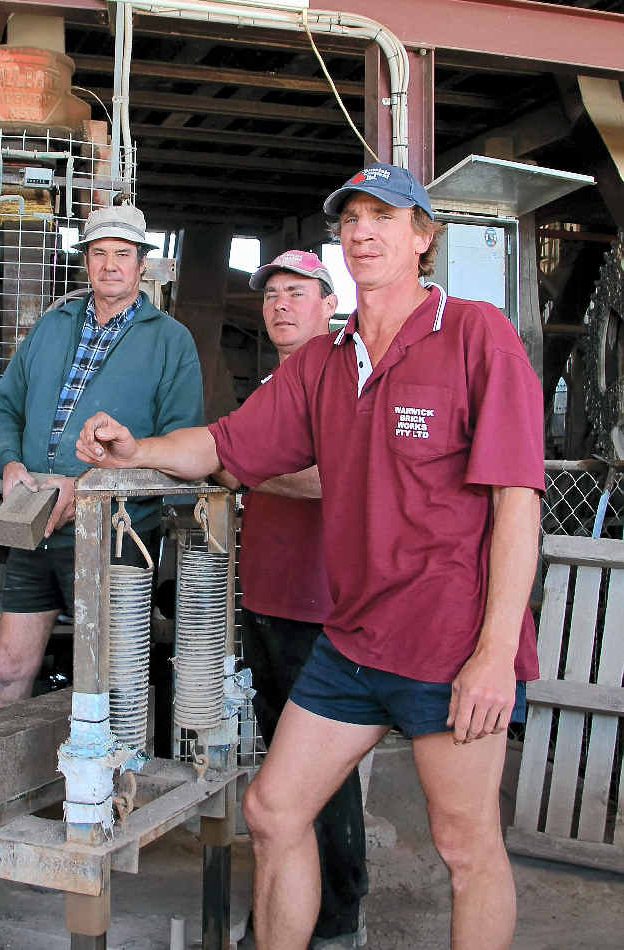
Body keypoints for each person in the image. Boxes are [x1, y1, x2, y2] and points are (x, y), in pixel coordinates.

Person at [76, 163, 544, 950]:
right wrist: (136, 450)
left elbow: (516, 503)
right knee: (272, 810)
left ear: (421, 238)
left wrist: (495, 654)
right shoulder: (325, 361)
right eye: (350, 220)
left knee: (464, 847)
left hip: (449, 638)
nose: (362, 232)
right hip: (353, 637)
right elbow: (223, 445)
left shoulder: (474, 335)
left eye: (383, 217)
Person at [0, 203, 204, 711]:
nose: (110, 265)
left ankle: (111, 766)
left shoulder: (170, 341)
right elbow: (3, 410)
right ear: (85, 261)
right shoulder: (52, 325)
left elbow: (181, 449)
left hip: (117, 533)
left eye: (122, 254)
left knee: (111, 683)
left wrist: (87, 488)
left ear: (142, 263)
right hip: (34, 524)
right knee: (6, 669)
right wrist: (10, 464)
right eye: (99, 253)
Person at [236, 250, 366, 950]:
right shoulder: (272, 385)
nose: (281, 305)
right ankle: (285, 911)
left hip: (319, 606)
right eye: (271, 295)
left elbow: (335, 477)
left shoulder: (348, 377)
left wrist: (241, 469)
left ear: (328, 305)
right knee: (280, 776)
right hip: (266, 596)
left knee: (324, 774)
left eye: (296, 293)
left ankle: (338, 919)